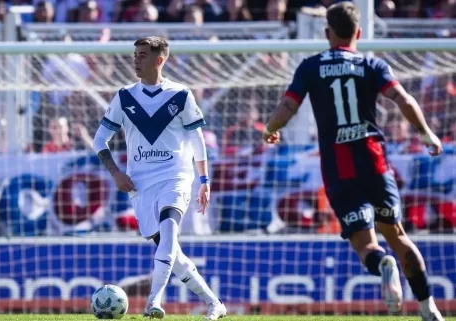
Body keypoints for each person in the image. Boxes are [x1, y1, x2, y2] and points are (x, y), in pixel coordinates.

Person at [262, 3, 444, 320]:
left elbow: (287, 107)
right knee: (399, 236)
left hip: (339, 167)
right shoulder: (371, 64)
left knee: (366, 245)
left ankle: (382, 264)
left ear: (327, 33)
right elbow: (404, 98)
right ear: (358, 33)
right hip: (375, 163)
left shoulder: (311, 66)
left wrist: (270, 129)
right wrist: (427, 133)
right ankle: (429, 309)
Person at [92, 36, 227, 320]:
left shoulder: (180, 95)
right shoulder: (124, 96)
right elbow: (99, 140)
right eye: (135, 55)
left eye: (142, 55)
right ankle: (215, 304)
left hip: (176, 177)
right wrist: (116, 173)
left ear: (159, 59)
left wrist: (204, 181)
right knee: (173, 255)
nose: (136, 60)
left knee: (169, 231)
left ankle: (154, 301)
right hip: (139, 185)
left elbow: (197, 139)